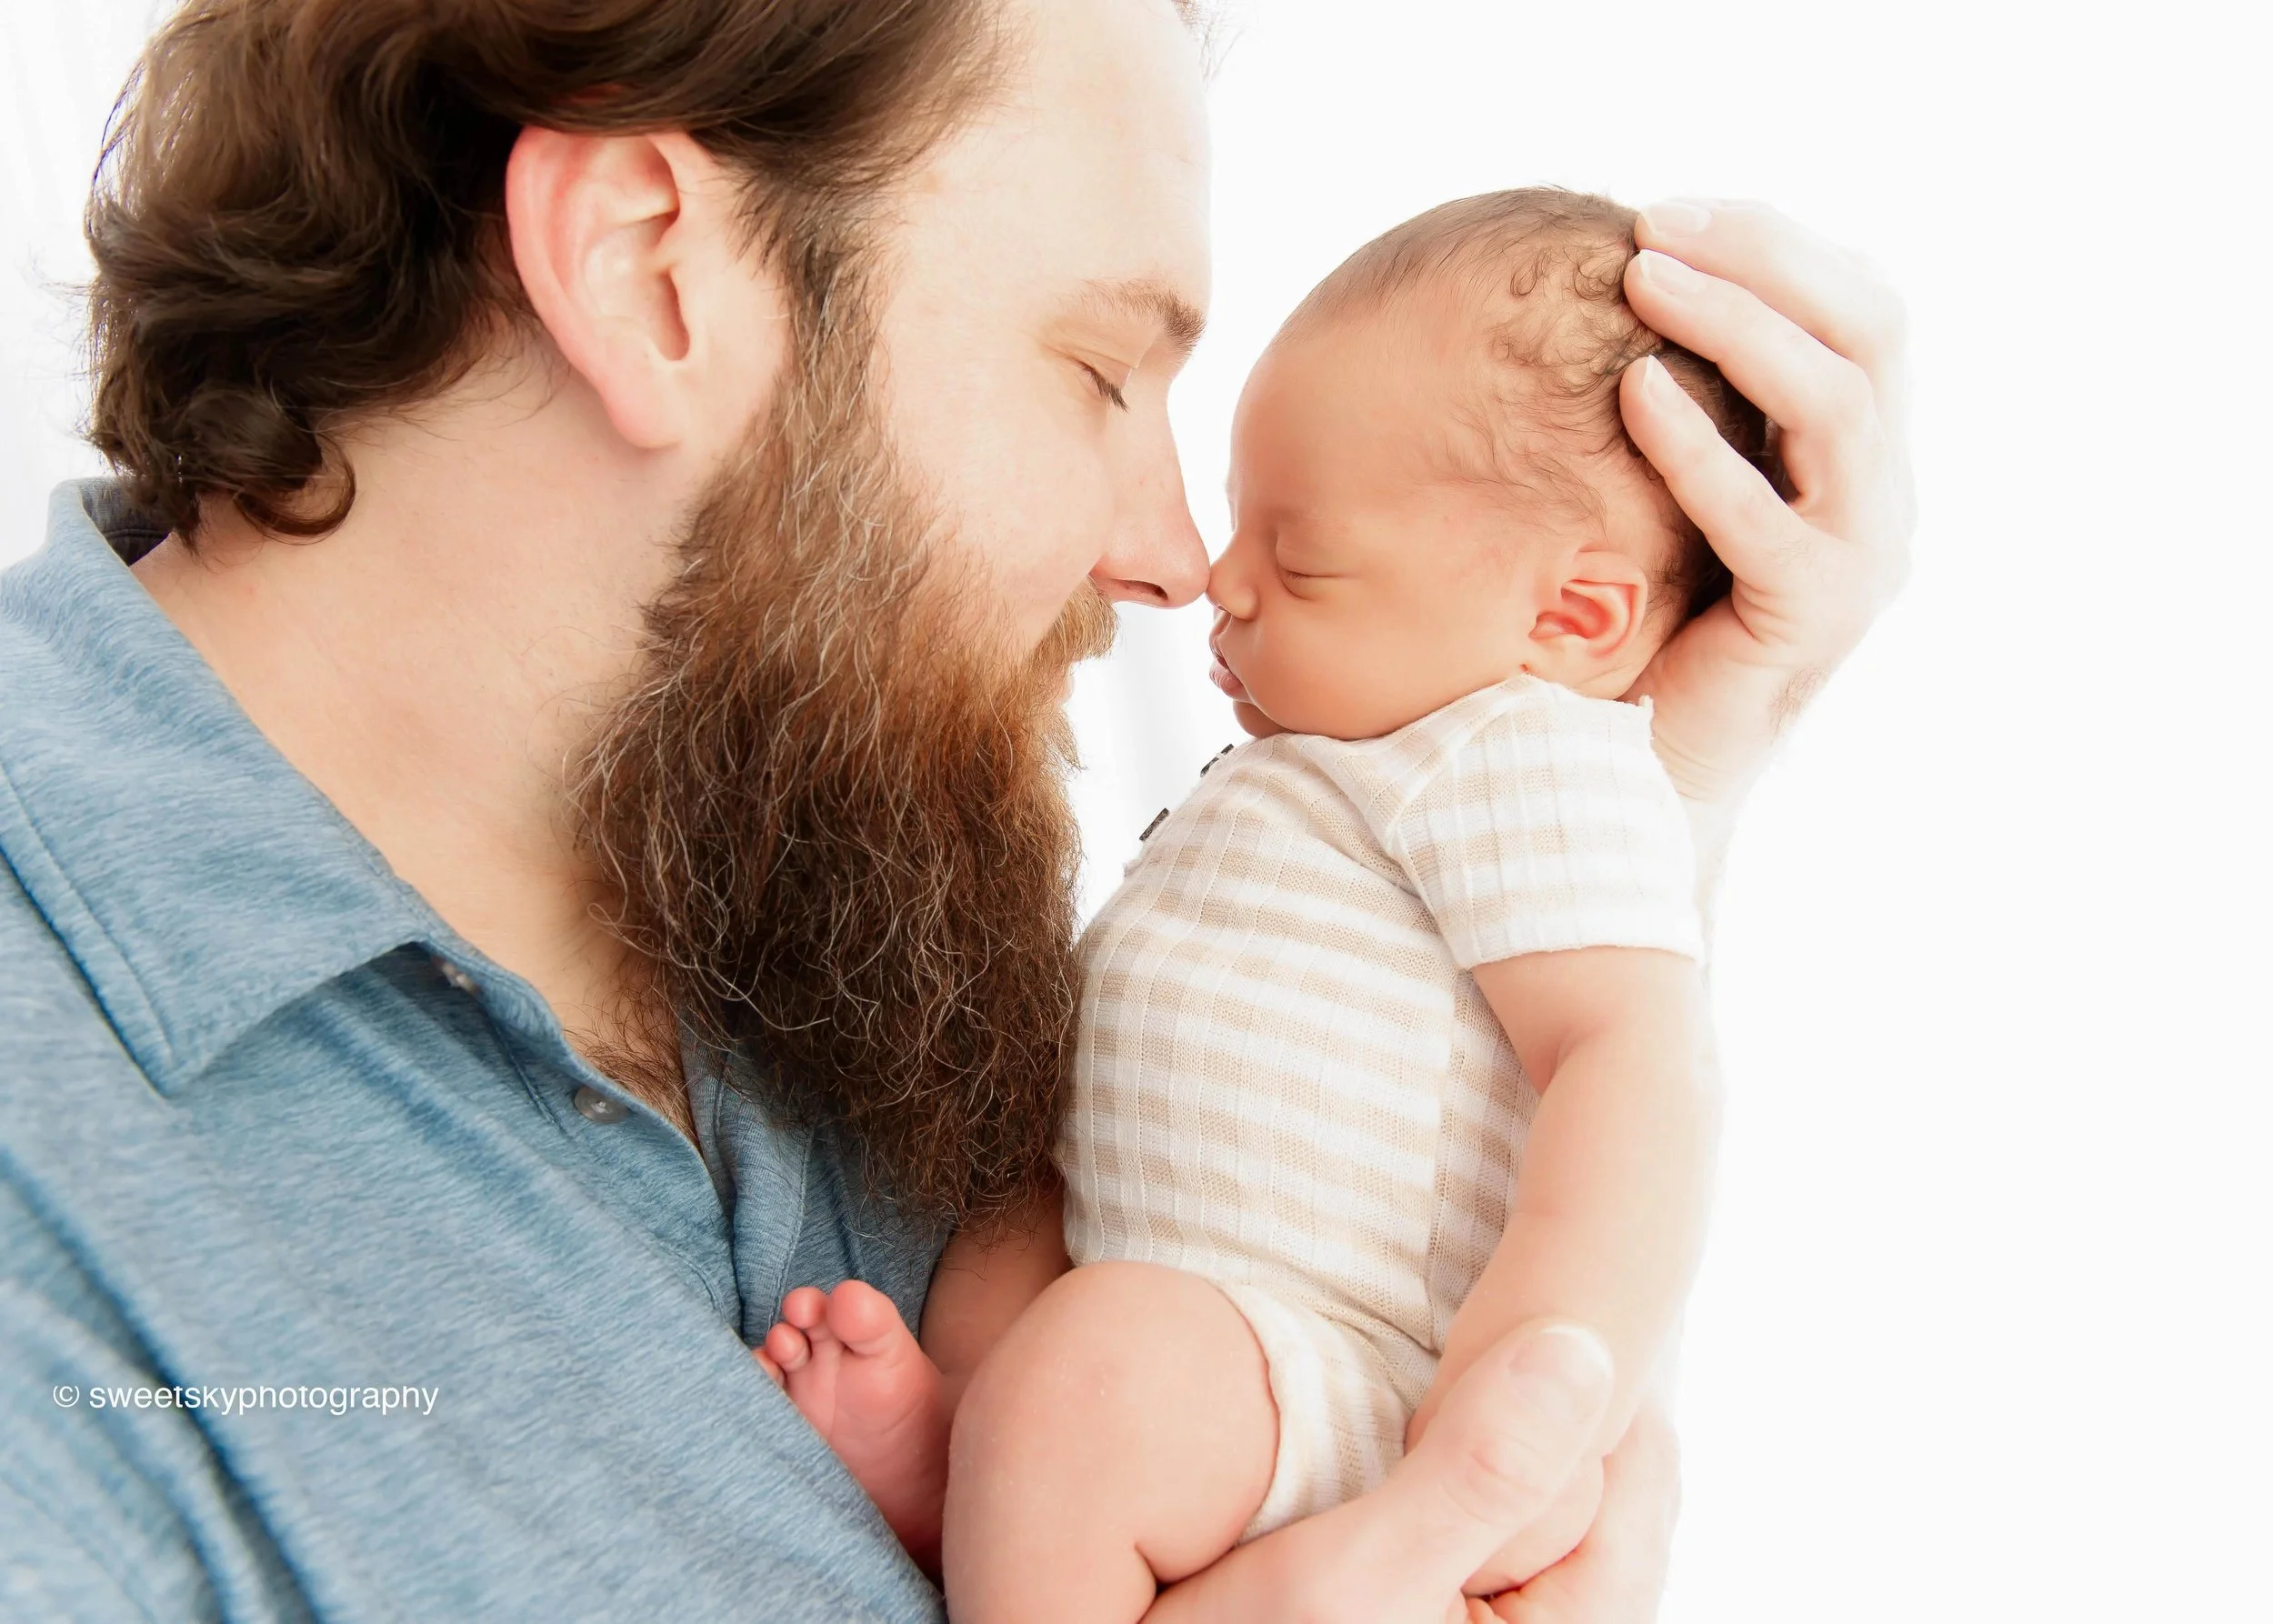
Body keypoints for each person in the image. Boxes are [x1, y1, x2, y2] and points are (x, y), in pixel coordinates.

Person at [0, 0, 1912, 1617]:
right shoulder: (58, 1245)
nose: (1174, 558)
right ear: (646, 269)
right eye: (1096, 369)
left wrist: (1679, 735)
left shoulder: (845, 874)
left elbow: (1505, 1142)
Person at [763, 187, 1752, 1619]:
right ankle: (978, 1454)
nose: (1218, 583)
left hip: (1347, 1375)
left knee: (1088, 1369)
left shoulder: (1519, 747)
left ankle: (1018, 1483)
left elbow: (1638, 1062)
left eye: (1300, 561)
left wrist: (1536, 1366)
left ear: (1571, 621)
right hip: (1183, 1326)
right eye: (1243, 528)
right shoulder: (1328, 759)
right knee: (1006, 1215)